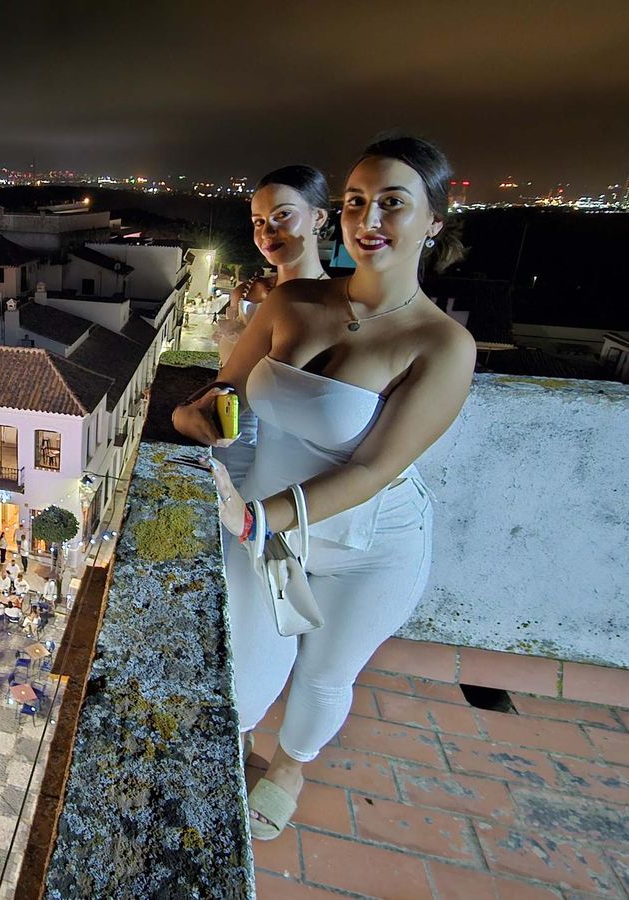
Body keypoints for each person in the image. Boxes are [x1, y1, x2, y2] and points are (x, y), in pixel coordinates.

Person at [170, 138, 472, 841]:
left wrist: (255, 521)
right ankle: (235, 753)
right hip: (265, 524)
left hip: (367, 541)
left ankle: (290, 768)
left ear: (434, 222)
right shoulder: (296, 300)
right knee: (238, 661)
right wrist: (198, 416)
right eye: (358, 201)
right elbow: (219, 393)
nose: (370, 218)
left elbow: (372, 469)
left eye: (394, 203)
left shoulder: (441, 344)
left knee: (323, 676)